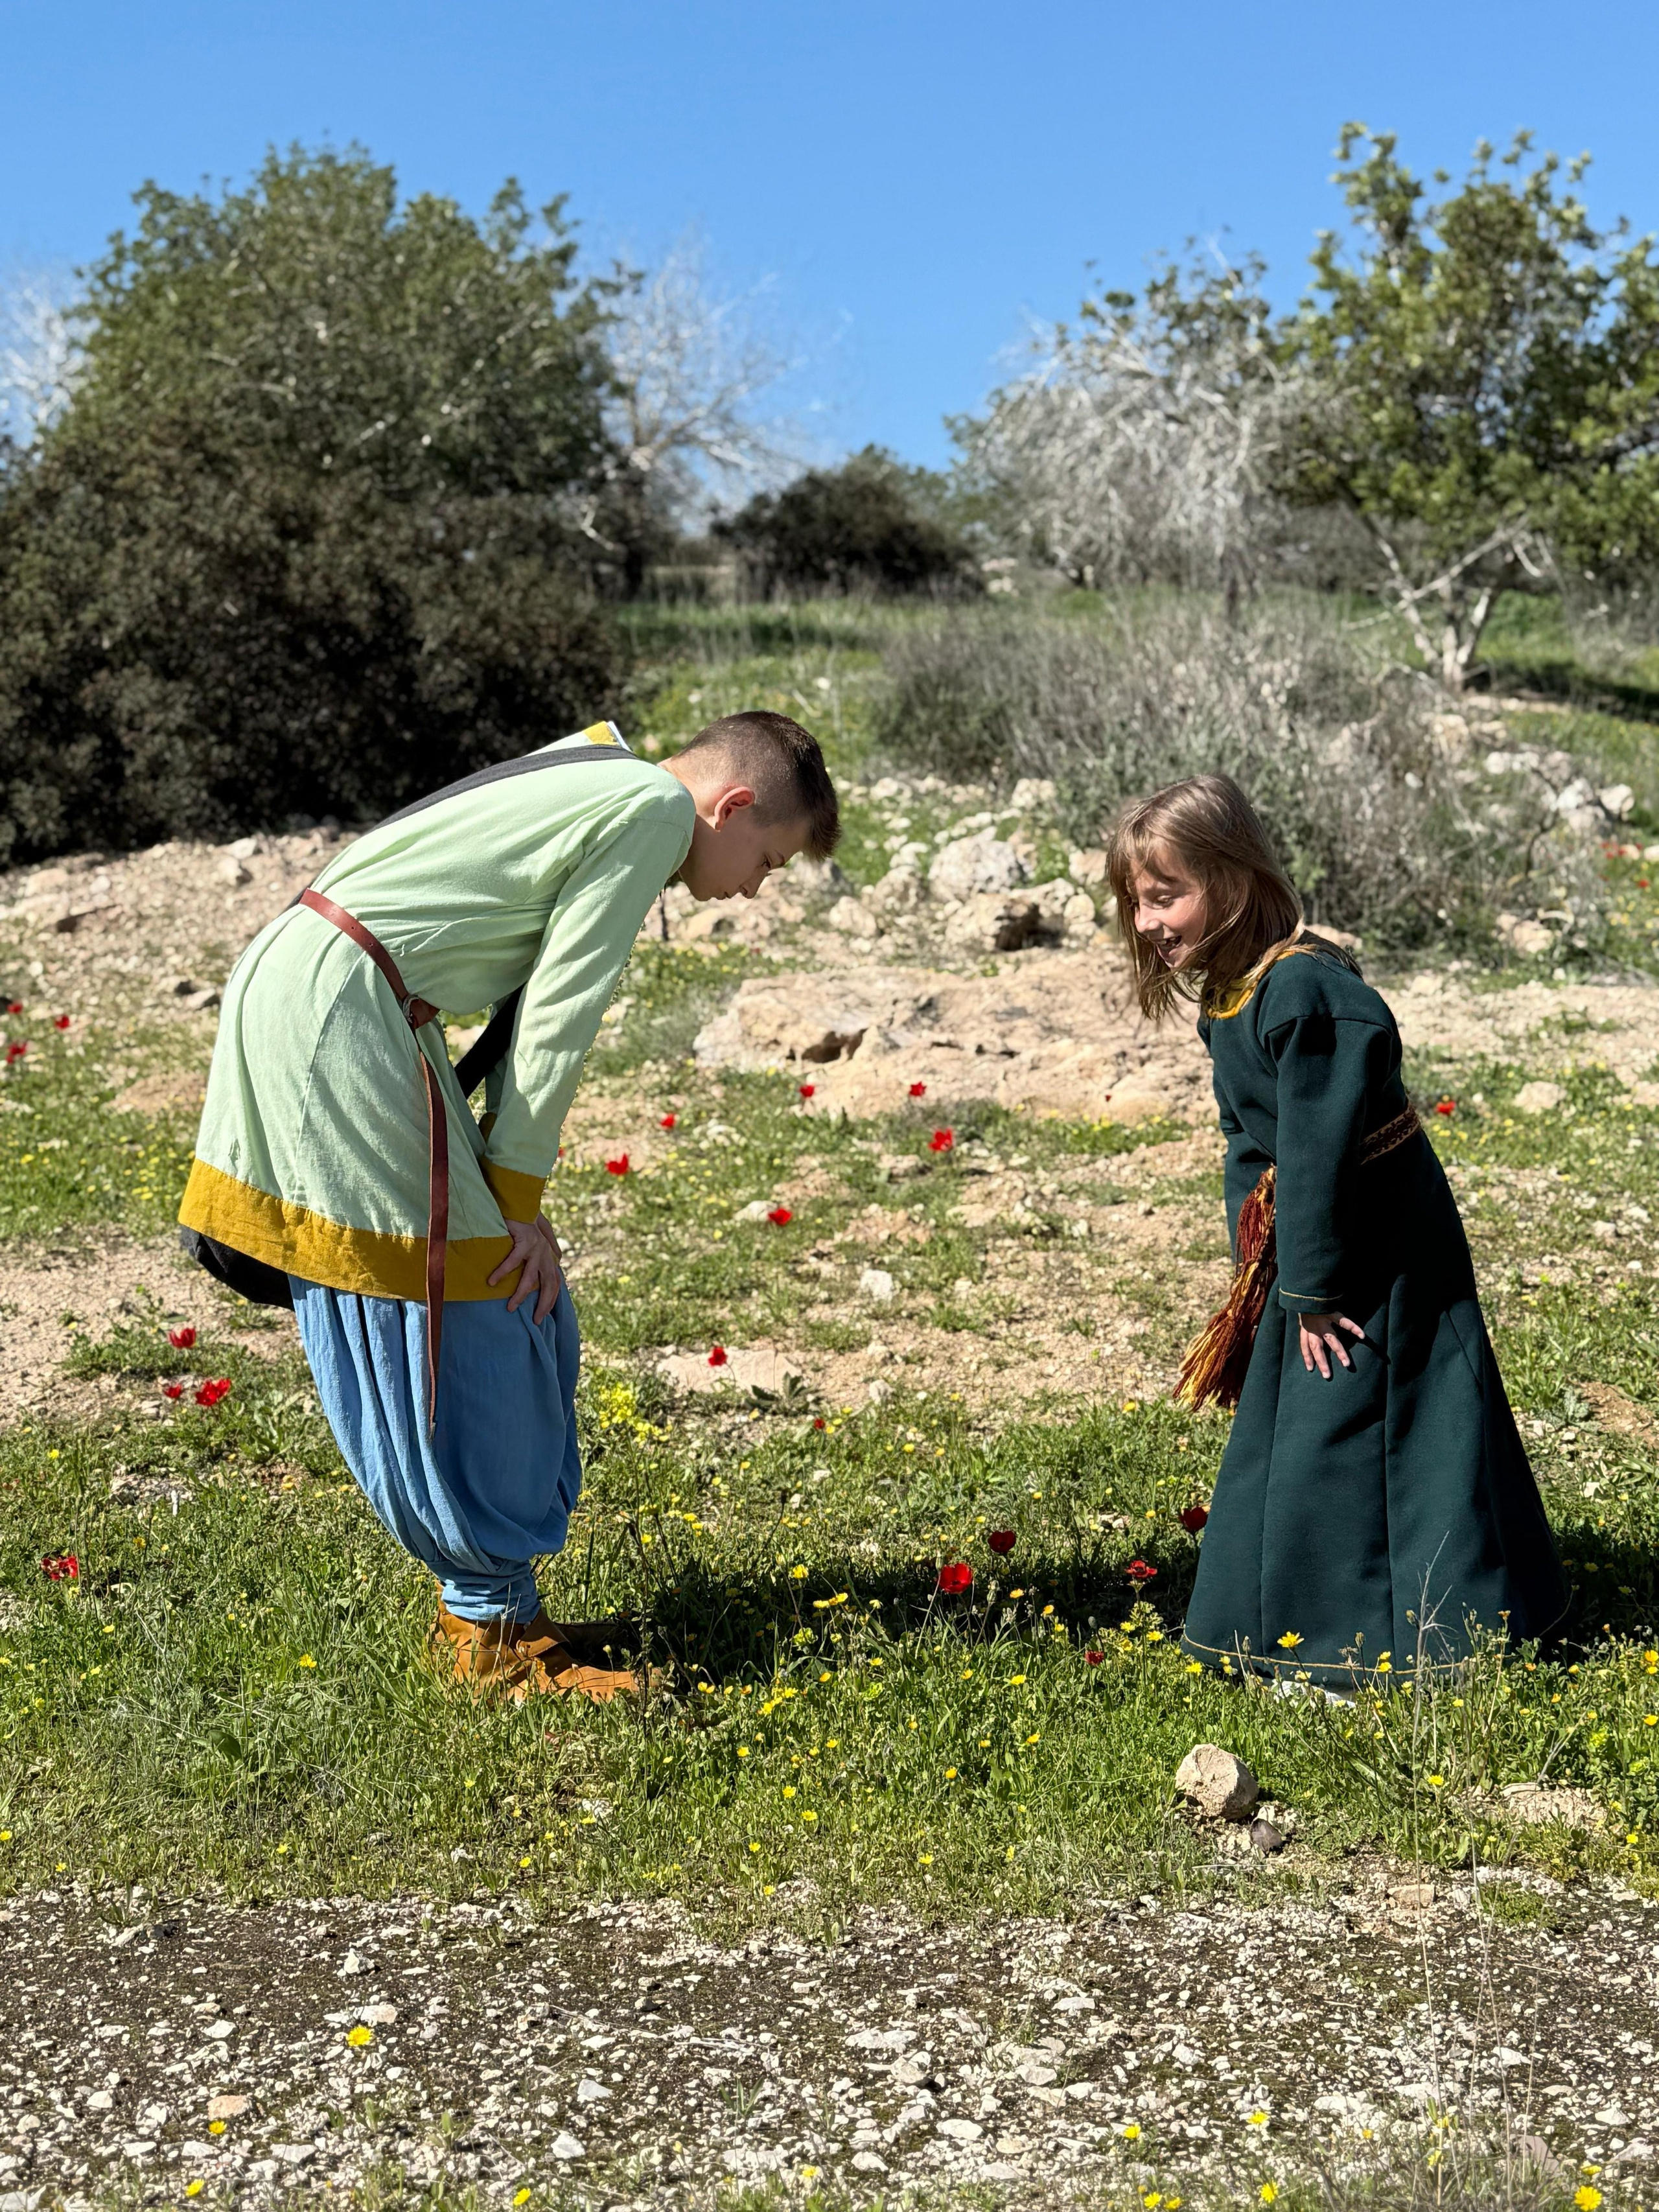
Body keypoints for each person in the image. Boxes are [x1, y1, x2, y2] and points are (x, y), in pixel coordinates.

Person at [180, 711, 839, 1700]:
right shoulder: (654, 807)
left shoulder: (604, 769)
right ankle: (487, 1636)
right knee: (461, 1302)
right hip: (348, 1006)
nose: (753, 889)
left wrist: (505, 1186)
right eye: (770, 860)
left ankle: (502, 1609)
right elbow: (560, 1015)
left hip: (338, 989)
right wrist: (517, 1202)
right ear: (731, 805)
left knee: (469, 1296)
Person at [1107, 773, 1567, 1688]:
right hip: (1313, 1244)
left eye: (1167, 895)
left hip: (1378, 1242)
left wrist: (1312, 1291)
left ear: (1231, 882)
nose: (1149, 921)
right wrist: (1259, 1270)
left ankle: (1401, 1636)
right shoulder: (1233, 995)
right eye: (1136, 901)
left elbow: (1317, 1157)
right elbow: (1254, 1146)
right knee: (1304, 1418)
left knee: (1379, 1418)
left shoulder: (1306, 995)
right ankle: (1286, 1622)